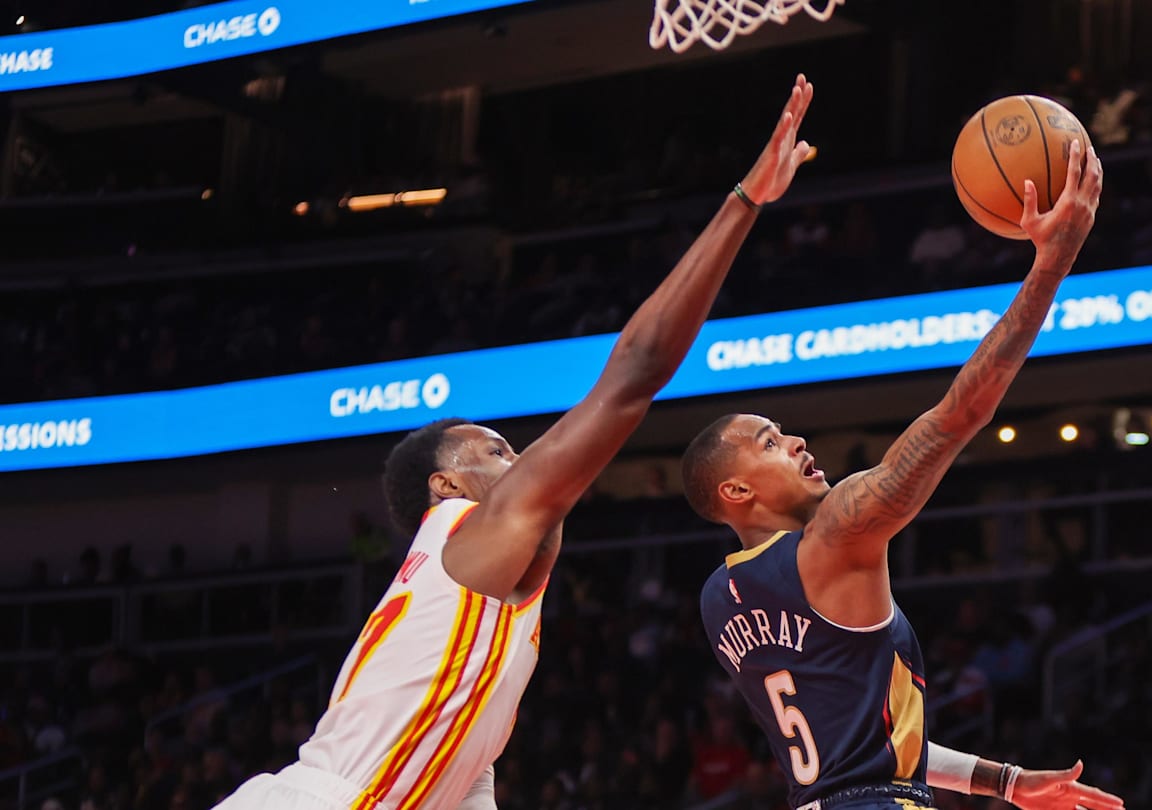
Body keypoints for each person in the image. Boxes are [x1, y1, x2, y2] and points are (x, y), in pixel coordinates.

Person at [214, 74, 817, 810]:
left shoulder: (489, 644)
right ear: (446, 487)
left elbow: (468, 784)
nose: (521, 459)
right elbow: (634, 374)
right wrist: (745, 202)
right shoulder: (464, 532)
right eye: (496, 451)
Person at [682, 140, 1123, 810]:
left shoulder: (719, 598)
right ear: (735, 491)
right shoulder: (836, 533)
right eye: (770, 442)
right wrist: (1053, 264)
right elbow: (961, 412)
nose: (796, 441)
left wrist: (1004, 782)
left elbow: (868, 744)